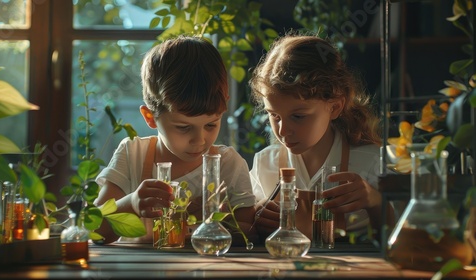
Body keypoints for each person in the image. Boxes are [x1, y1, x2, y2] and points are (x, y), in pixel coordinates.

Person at [94, 35, 257, 245]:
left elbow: (250, 233)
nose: (199, 140)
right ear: (150, 117)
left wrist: (216, 222)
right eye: (183, 127)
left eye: (211, 124)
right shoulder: (132, 155)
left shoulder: (228, 164)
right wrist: (131, 204)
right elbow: (95, 231)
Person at [248, 33, 395, 242]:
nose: (282, 130)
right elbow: (246, 234)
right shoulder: (264, 165)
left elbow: (402, 242)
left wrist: (375, 201)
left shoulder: (371, 163)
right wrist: (255, 217)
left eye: (298, 116)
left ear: (335, 107)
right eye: (274, 116)